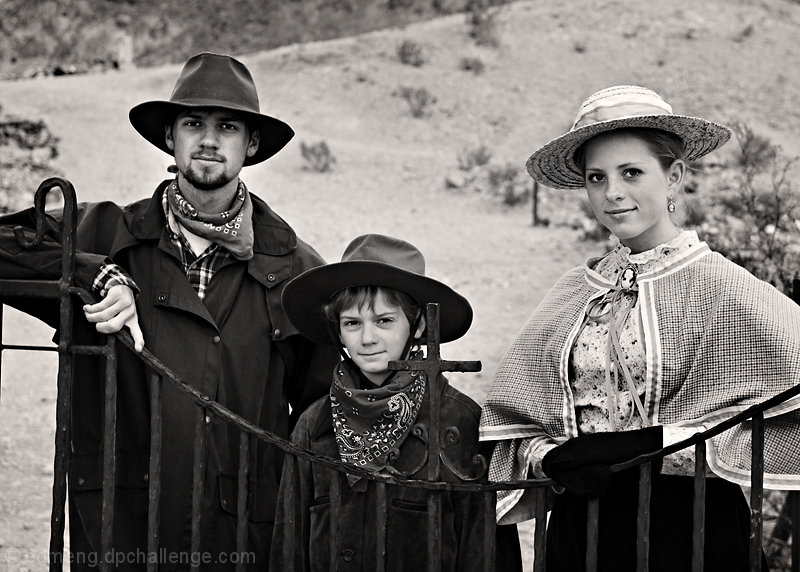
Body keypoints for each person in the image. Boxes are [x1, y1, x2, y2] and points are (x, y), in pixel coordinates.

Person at [0, 52, 339, 570]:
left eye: (228, 127)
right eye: (193, 124)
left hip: (242, 536)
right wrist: (94, 274)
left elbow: (323, 418)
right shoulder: (104, 233)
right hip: (121, 523)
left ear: (250, 144)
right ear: (169, 136)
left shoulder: (294, 267)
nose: (209, 140)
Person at [478, 85, 800, 571]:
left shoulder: (723, 287)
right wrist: (551, 457)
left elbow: (776, 415)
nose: (612, 193)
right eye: (597, 177)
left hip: (687, 527)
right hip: (582, 524)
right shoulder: (576, 291)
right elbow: (513, 418)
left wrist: (653, 445)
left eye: (631, 172)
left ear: (674, 177)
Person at [270, 234, 523, 571]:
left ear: (418, 325)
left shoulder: (460, 423)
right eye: (352, 323)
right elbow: (289, 546)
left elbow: (486, 551)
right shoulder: (315, 423)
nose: (367, 338)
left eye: (384, 321)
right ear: (338, 331)